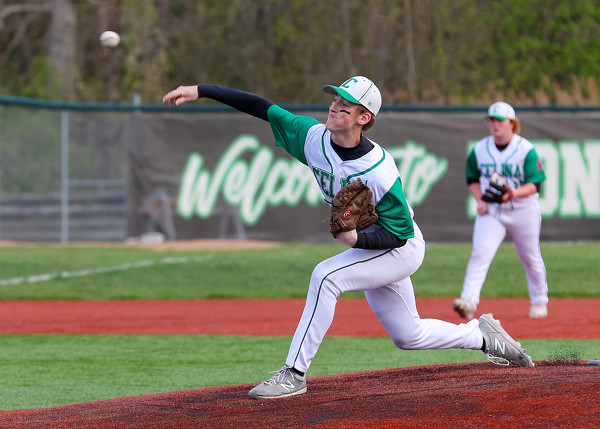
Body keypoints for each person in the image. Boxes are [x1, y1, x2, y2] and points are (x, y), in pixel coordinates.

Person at [163, 77, 535, 399]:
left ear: (364, 118)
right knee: (409, 335)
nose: (336, 106)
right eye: (336, 99)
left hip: (400, 248)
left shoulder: (379, 170)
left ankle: (293, 374)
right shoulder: (312, 137)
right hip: (379, 246)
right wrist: (202, 90)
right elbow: (263, 107)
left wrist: (356, 240)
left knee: (326, 276)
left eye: (347, 104)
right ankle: (483, 336)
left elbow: (399, 233)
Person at [453, 101, 549, 320]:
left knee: (531, 257)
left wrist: (512, 194)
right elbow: (472, 178)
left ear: (512, 124)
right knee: (480, 252)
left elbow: (536, 184)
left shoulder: (525, 149)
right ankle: (468, 301)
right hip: (494, 211)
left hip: (523, 210)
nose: (495, 125)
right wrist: (480, 199)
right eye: (492, 120)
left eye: (500, 120)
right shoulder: (480, 149)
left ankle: (539, 301)